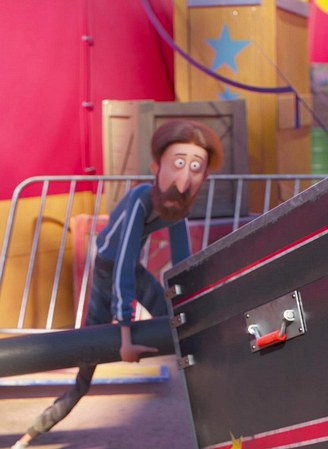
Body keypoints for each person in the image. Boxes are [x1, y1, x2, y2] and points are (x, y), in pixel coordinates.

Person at [11, 119, 223, 449]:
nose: (183, 182)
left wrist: (191, 305)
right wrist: (125, 337)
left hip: (132, 270)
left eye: (195, 169)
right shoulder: (141, 199)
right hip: (108, 269)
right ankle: (31, 434)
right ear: (156, 167)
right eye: (178, 164)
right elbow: (122, 263)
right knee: (86, 367)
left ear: (205, 177)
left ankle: (216, 424)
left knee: (180, 329)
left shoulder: (177, 207)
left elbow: (183, 263)